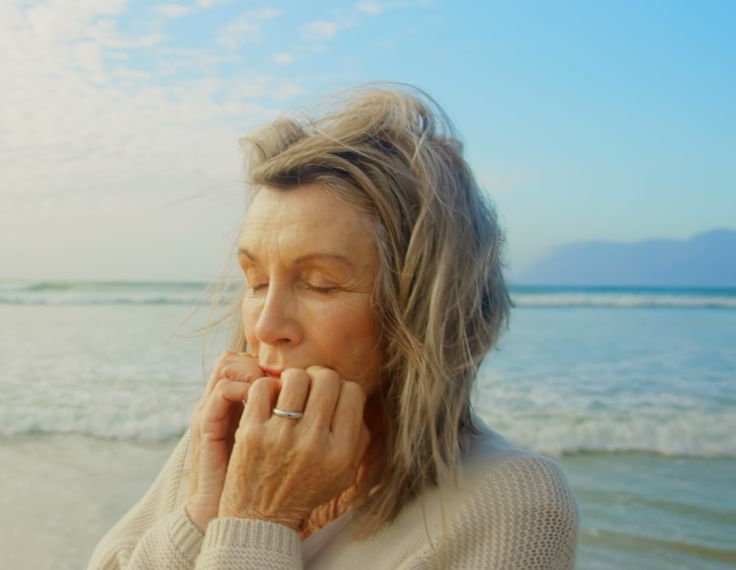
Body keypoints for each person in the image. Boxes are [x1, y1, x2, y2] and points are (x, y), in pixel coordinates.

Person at [88, 85, 578, 569]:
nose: (266, 325)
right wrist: (202, 512)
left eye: (320, 284)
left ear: (427, 313)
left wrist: (259, 519)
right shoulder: (238, 440)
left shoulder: (515, 505)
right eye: (256, 281)